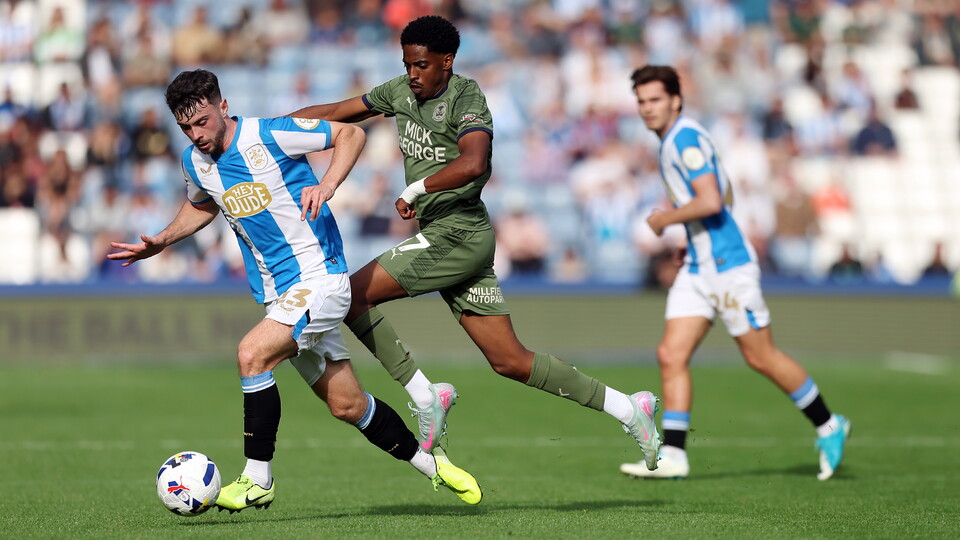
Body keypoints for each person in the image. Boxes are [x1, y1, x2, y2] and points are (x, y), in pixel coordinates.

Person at [290, 15, 661, 471]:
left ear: (447, 62)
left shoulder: (467, 97)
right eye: (407, 64)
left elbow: (474, 161)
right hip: (446, 237)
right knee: (510, 360)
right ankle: (630, 408)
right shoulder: (401, 92)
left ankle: (425, 395)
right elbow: (336, 113)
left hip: (460, 232)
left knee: (349, 295)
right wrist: (267, 130)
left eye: (421, 65)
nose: (412, 73)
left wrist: (416, 189)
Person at [108, 69, 481, 513]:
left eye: (203, 121)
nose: (196, 134)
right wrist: (164, 240)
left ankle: (256, 480)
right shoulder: (195, 161)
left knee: (251, 354)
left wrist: (327, 185)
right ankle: (433, 466)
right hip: (278, 294)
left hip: (319, 278)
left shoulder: (269, 134)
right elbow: (201, 204)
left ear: (222, 107)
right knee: (347, 405)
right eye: (186, 127)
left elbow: (351, 136)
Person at [621, 65, 850, 481]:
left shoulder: (683, 139)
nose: (647, 108)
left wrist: (664, 220)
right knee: (671, 354)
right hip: (698, 265)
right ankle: (674, 455)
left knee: (760, 356)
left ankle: (829, 424)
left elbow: (711, 201)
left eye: (655, 99)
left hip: (727, 266)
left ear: (676, 99)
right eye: (641, 101)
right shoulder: (679, 138)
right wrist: (691, 239)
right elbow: (722, 193)